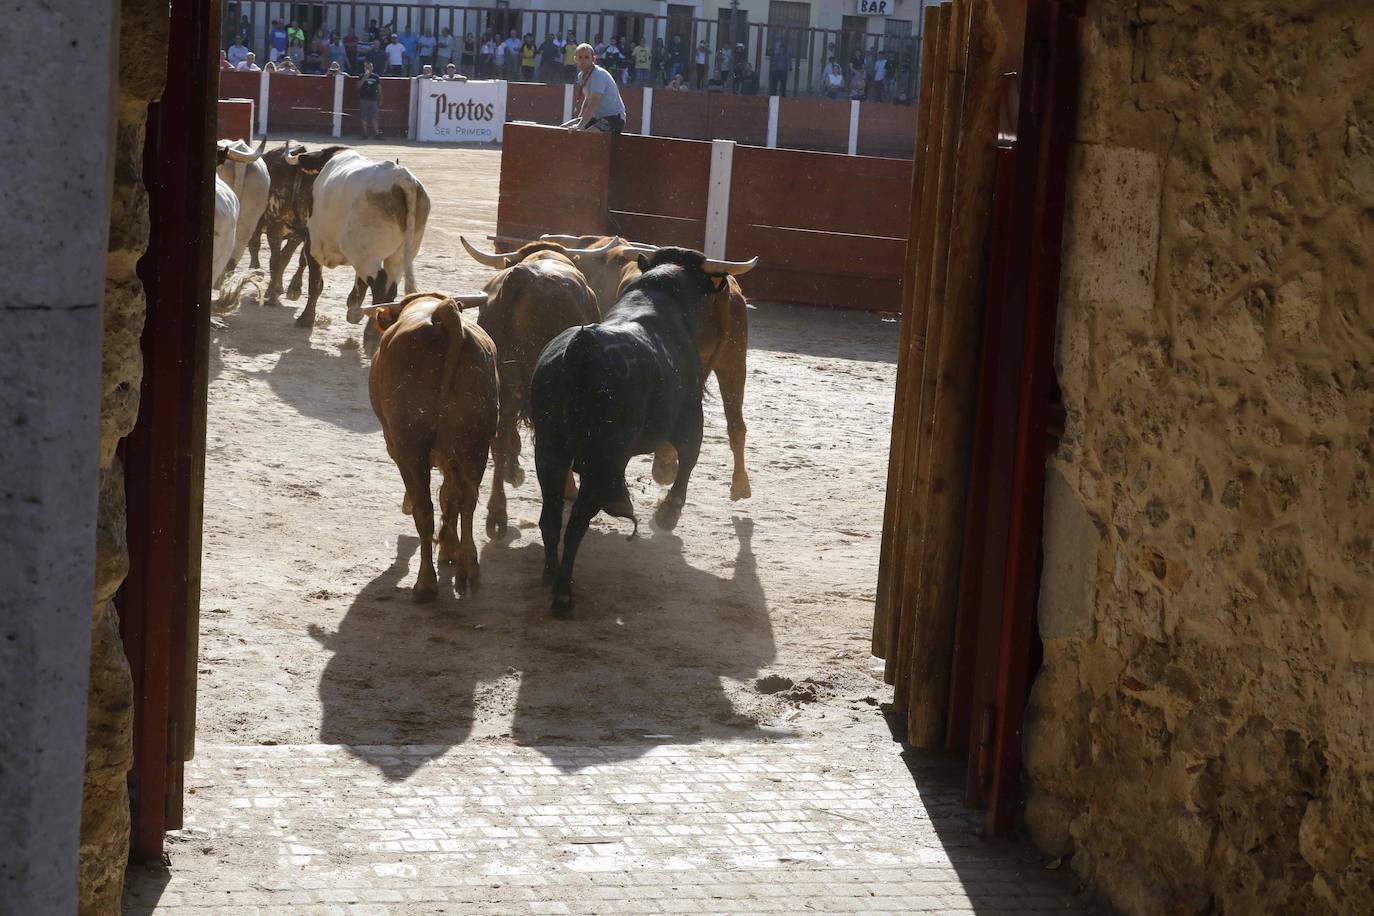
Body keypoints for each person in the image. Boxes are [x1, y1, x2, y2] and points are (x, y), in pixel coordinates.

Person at [562, 43, 625, 134]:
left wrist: (580, 125)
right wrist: (579, 120)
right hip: (597, 119)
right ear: (575, 59)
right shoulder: (581, 76)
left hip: (614, 119)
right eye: (580, 57)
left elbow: (594, 101)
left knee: (586, 136)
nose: (583, 60)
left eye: (587, 57)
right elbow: (587, 100)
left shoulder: (598, 74)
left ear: (593, 59)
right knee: (562, 129)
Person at [358, 60, 383, 139]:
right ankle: (365, 134)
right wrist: (365, 76)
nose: (369, 68)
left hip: (373, 99)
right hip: (364, 99)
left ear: (372, 68)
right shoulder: (361, 76)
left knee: (374, 117)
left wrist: (380, 97)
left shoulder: (376, 77)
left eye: (370, 67)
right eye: (367, 67)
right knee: (364, 116)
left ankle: (376, 134)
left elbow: (379, 88)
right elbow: (358, 86)